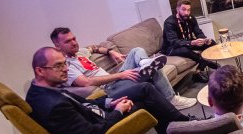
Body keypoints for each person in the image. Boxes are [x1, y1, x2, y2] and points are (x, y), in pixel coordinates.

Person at [25, 47, 192, 134]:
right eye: (59, 65)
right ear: (40, 71)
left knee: (145, 89)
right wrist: (118, 111)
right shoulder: (53, 105)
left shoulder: (43, 89)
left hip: (98, 113)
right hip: (102, 130)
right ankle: (184, 126)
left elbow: (83, 104)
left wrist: (108, 103)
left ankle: (173, 130)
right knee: (147, 96)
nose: (66, 69)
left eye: (64, 64)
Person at [50, 27, 197, 109]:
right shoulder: (65, 65)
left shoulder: (80, 52)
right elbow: (86, 82)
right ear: (57, 46)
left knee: (137, 51)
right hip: (109, 89)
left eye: (74, 38)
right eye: (68, 41)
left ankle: (145, 63)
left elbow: (93, 47)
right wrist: (121, 75)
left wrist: (110, 51)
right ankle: (171, 99)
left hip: (115, 81)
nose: (74, 43)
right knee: (154, 67)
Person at [162, 0, 221, 83]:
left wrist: (204, 40)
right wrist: (191, 42)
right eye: (183, 9)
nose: (186, 13)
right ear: (177, 9)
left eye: (188, 10)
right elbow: (173, 41)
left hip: (187, 42)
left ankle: (198, 71)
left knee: (212, 43)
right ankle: (207, 62)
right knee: (185, 50)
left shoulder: (191, 18)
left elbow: (198, 32)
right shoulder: (169, 22)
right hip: (171, 47)